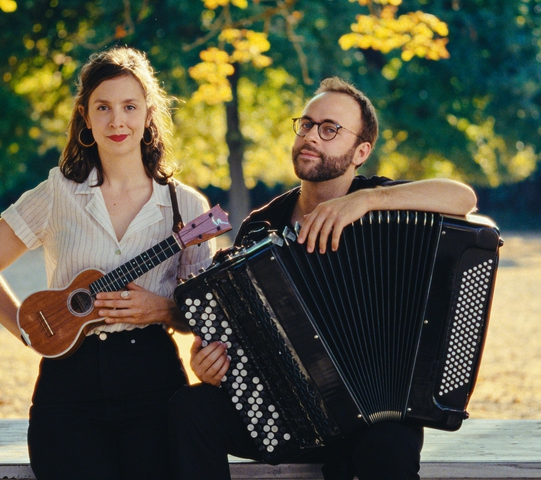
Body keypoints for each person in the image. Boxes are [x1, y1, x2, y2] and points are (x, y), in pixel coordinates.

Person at [169, 76, 478, 480]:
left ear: (361, 151)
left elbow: (463, 197)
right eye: (307, 124)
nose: (311, 136)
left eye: (330, 129)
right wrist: (211, 364)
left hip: (375, 416)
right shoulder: (261, 227)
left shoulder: (380, 203)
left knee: (390, 449)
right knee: (188, 410)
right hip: (282, 409)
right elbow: (234, 336)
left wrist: (367, 200)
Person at [0, 46, 215, 480]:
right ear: (86, 117)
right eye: (103, 107)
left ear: (148, 114)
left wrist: (164, 310)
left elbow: (203, 316)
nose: (117, 121)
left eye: (129, 106)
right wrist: (28, 329)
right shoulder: (57, 193)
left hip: (153, 381)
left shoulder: (186, 207)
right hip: (67, 390)